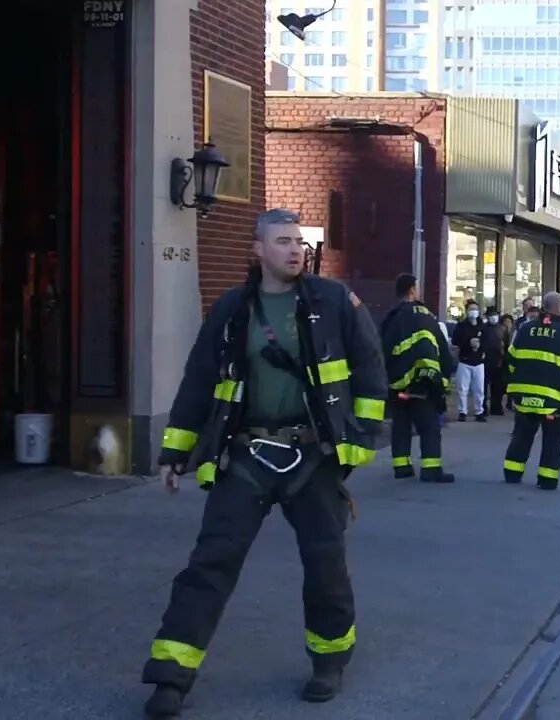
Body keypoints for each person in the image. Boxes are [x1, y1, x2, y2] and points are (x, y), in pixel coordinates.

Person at [142, 209, 387, 718]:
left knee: (325, 567)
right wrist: (175, 451)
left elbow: (370, 369)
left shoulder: (336, 301)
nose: (295, 249)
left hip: (313, 458)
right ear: (257, 251)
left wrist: (357, 444)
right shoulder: (232, 309)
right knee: (209, 565)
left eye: (299, 241)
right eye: (282, 241)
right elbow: (199, 380)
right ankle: (170, 676)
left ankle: (329, 661)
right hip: (246, 455)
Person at [503, 291, 560, 490]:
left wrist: (516, 384)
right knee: (553, 440)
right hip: (554, 401)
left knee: (522, 435)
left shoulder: (526, 329)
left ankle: (512, 472)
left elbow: (511, 361)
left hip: (525, 397)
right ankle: (547, 478)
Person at [380, 273, 455, 483]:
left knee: (401, 425)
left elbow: (381, 349)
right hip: (423, 382)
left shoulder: (390, 317)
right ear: (412, 290)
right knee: (429, 426)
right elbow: (437, 348)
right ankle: (431, 469)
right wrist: (442, 378)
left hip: (396, 382)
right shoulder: (424, 315)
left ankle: (401, 467)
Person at [450, 299, 487, 422]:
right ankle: (462, 412)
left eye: (476, 309)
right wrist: (468, 343)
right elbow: (455, 341)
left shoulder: (483, 325)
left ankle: (479, 411)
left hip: (479, 362)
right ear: (466, 311)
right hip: (465, 360)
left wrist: (480, 345)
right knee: (462, 388)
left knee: (479, 389)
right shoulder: (461, 326)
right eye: (471, 310)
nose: (474, 312)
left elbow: (489, 341)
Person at [483, 306, 508, 416]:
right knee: (483, 387)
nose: (494, 317)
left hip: (499, 361)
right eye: (491, 315)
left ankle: (496, 407)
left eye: (495, 315)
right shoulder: (483, 328)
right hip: (485, 361)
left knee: (498, 387)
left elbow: (507, 344)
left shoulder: (502, 328)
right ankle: (483, 407)